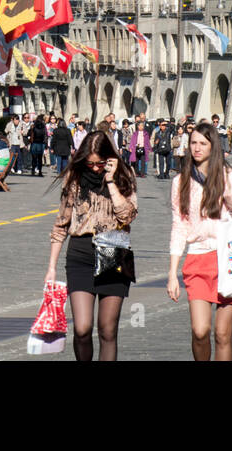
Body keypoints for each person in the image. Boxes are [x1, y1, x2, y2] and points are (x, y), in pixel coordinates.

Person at [44, 132, 138, 361]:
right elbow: (61, 224)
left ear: (110, 158)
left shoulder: (125, 175)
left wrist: (110, 180)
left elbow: (127, 215)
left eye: (100, 163)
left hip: (114, 251)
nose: (95, 168)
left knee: (107, 330)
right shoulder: (74, 179)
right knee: (82, 328)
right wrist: (52, 267)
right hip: (80, 254)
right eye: (91, 163)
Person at [166, 123, 232, 361]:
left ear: (213, 147)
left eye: (203, 143)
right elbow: (179, 226)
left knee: (223, 334)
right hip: (198, 260)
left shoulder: (230, 176)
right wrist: (172, 273)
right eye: (193, 143)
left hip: (229, 259)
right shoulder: (180, 182)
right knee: (200, 331)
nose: (197, 148)